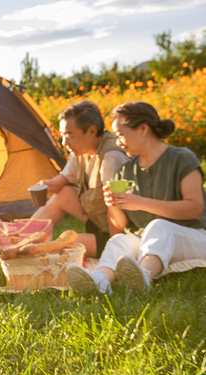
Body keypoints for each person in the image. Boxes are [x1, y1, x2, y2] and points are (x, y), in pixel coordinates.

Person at [66, 101, 206, 295]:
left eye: (121, 134)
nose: (117, 142)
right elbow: (119, 228)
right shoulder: (126, 169)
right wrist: (113, 205)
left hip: (193, 237)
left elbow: (195, 208)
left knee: (159, 226)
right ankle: (100, 279)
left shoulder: (181, 158)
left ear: (143, 129)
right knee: (121, 241)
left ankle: (144, 276)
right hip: (149, 244)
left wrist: (140, 202)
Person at [32, 101, 128, 257]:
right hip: (96, 218)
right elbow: (63, 180)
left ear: (91, 131)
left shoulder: (111, 157)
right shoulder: (81, 149)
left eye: (69, 135)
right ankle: (26, 240)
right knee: (64, 193)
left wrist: (116, 249)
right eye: (63, 135)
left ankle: (33, 251)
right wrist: (48, 185)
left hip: (116, 231)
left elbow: (117, 207)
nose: (65, 143)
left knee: (62, 246)